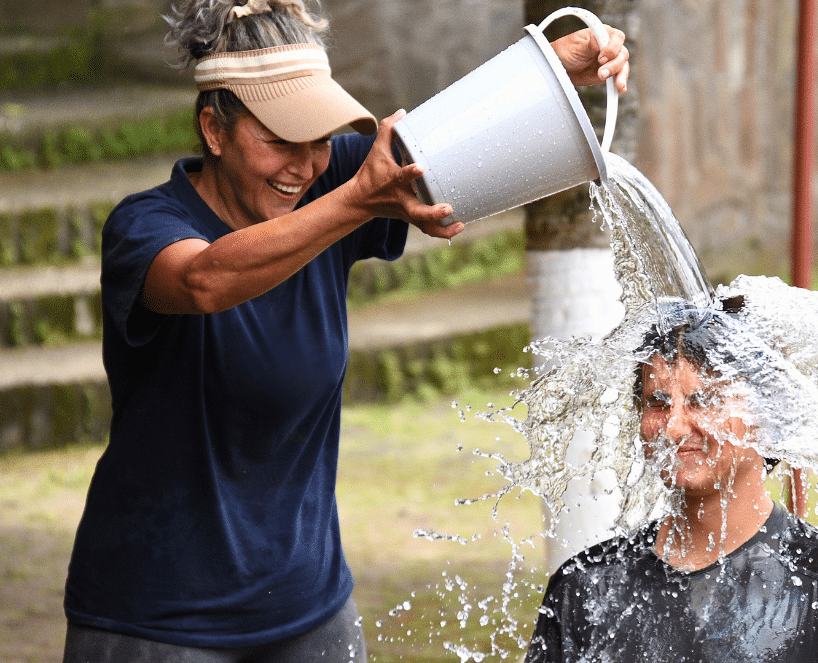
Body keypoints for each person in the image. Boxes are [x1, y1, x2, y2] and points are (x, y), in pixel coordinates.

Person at [61, 1, 629, 661]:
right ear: (213, 130)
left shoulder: (327, 183)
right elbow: (203, 280)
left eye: (321, 139)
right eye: (279, 140)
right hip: (156, 620)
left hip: (309, 608)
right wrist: (356, 200)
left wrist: (555, 66)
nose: (303, 167)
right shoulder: (144, 227)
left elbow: (454, 134)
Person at [524, 306, 818, 663]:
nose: (673, 427)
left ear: (770, 417)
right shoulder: (587, 586)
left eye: (704, 400)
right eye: (658, 403)